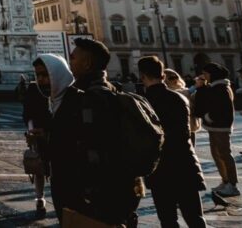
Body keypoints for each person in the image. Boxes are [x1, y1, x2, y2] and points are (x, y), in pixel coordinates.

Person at [48, 38, 149, 226]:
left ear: (86, 63)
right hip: (120, 188)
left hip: (92, 191)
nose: (70, 62)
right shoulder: (114, 92)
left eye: (73, 57)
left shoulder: (83, 98)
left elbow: (75, 145)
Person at [137, 56, 206, 227]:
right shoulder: (178, 98)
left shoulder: (143, 103)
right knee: (195, 217)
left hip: (160, 168)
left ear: (142, 76)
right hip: (184, 162)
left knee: (168, 220)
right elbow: (184, 134)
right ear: (162, 75)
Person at [25, 54, 71, 219]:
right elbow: (28, 112)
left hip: (70, 168)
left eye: (46, 75)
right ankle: (40, 198)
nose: (42, 80)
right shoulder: (36, 91)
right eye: (38, 76)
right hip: (42, 141)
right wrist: (33, 132)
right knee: (39, 168)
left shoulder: (74, 98)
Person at [193, 62, 238, 197]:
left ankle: (232, 184)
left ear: (212, 74)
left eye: (206, 73)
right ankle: (225, 181)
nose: (204, 76)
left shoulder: (221, 88)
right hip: (215, 126)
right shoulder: (214, 87)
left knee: (224, 154)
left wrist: (210, 116)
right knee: (217, 154)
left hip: (220, 126)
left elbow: (223, 108)